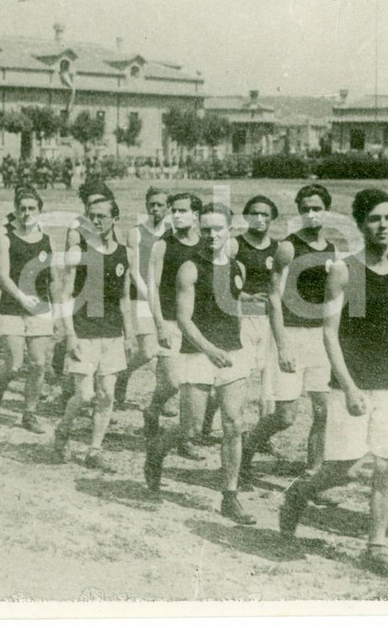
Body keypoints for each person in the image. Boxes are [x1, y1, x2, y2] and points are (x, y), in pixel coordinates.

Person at [280, 189, 388, 585]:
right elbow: (330, 333)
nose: (384, 226)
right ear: (360, 224)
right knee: (347, 469)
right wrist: (350, 385)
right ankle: (297, 493)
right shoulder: (344, 269)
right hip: (350, 381)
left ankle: (376, 549)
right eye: (375, 219)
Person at [144, 203, 256, 525]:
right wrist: (209, 350)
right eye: (205, 229)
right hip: (198, 353)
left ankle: (230, 497)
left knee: (233, 423)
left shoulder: (238, 268)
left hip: (232, 354)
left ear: (229, 229)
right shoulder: (190, 268)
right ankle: (156, 452)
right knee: (190, 428)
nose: (211, 235)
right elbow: (183, 319)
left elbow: (231, 308)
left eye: (218, 228)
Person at [243, 184, 336, 484]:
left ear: (326, 210)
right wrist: (282, 346)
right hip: (291, 336)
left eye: (317, 208)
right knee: (285, 416)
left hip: (320, 339)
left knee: (323, 412)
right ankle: (245, 448)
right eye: (306, 208)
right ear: (299, 211)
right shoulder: (288, 247)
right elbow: (273, 298)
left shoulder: (332, 249)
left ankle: (313, 474)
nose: (311, 214)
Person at [53, 193, 132, 472]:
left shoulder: (123, 253)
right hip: (84, 330)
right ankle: (63, 430)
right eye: (92, 215)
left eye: (102, 215)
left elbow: (123, 297)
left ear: (114, 218)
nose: (96, 220)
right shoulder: (80, 249)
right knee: (85, 395)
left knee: (107, 395)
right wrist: (70, 334)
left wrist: (129, 333)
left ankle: (94, 449)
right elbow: (65, 293)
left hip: (112, 332)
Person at [207, 195, 280, 444]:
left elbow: (277, 286)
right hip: (241, 318)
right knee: (239, 377)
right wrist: (247, 297)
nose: (259, 219)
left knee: (269, 381)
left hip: (268, 321)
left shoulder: (277, 248)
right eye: (254, 214)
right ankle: (210, 418)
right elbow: (222, 284)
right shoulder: (235, 245)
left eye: (265, 214)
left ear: (272, 218)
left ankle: (261, 437)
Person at [0, 187, 55, 434]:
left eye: (32, 208)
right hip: (12, 305)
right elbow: (2, 275)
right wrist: (21, 297)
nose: (27, 213)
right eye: (22, 208)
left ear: (39, 211)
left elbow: (52, 278)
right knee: (14, 364)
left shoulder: (46, 240)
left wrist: (56, 310)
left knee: (38, 364)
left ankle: (30, 413)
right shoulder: (5, 236)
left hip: (40, 306)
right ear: (16, 210)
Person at [142, 193, 203, 452]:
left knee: (192, 384)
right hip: (169, 320)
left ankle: (184, 438)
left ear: (196, 215)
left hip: (198, 324)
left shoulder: (206, 243)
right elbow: (152, 288)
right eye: (174, 211)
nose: (176, 215)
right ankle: (153, 408)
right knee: (172, 382)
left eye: (183, 211)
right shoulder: (163, 244)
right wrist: (159, 325)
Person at [114, 186, 170, 410]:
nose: (155, 208)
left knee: (165, 351)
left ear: (167, 207)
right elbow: (134, 270)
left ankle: (161, 398)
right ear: (146, 205)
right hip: (142, 297)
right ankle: (123, 375)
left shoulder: (172, 233)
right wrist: (150, 295)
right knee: (147, 351)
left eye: (160, 204)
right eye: (152, 204)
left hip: (165, 299)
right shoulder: (136, 233)